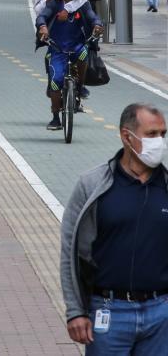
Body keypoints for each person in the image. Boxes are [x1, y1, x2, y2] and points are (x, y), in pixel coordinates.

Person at [61, 103, 168, 354]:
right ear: (126, 136)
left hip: (160, 314)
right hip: (108, 312)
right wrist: (76, 311)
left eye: (163, 134)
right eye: (151, 134)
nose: (159, 142)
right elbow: (70, 252)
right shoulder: (92, 185)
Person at [36, 0, 103, 130]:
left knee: (84, 53)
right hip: (57, 48)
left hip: (77, 45)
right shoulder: (54, 3)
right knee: (55, 81)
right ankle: (55, 117)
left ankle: (79, 87)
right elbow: (42, 17)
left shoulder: (82, 2)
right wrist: (43, 27)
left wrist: (97, 25)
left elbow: (93, 16)